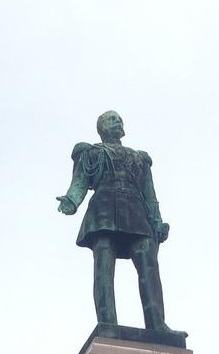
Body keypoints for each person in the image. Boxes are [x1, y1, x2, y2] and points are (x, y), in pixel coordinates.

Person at [56, 110, 173, 330]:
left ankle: (157, 323)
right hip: (103, 212)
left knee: (149, 266)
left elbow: (150, 195)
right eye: (112, 119)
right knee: (104, 268)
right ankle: (107, 323)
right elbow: (79, 182)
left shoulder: (139, 159)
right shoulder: (90, 152)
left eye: (119, 119)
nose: (118, 121)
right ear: (101, 128)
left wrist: (157, 221)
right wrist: (71, 201)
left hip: (137, 213)